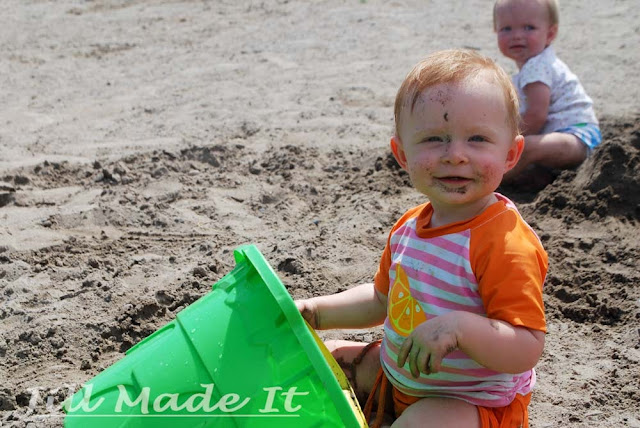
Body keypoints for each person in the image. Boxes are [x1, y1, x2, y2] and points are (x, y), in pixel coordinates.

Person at [296, 49, 548, 428]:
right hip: (398, 378)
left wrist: (458, 328)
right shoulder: (409, 226)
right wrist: (315, 312)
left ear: (511, 153)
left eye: (477, 139)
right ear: (402, 153)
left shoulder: (504, 243)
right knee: (313, 366)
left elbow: (526, 346)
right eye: (434, 139)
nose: (456, 156)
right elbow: (383, 299)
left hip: (469, 404)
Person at [493, 0, 601, 187]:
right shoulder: (534, 65)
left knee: (527, 147)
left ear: (550, 34)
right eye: (507, 29)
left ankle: (491, 180)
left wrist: (506, 142)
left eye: (529, 27)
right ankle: (541, 178)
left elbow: (536, 116)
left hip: (577, 136)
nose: (517, 36)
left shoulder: (537, 67)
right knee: (527, 153)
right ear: (496, 31)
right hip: (566, 138)